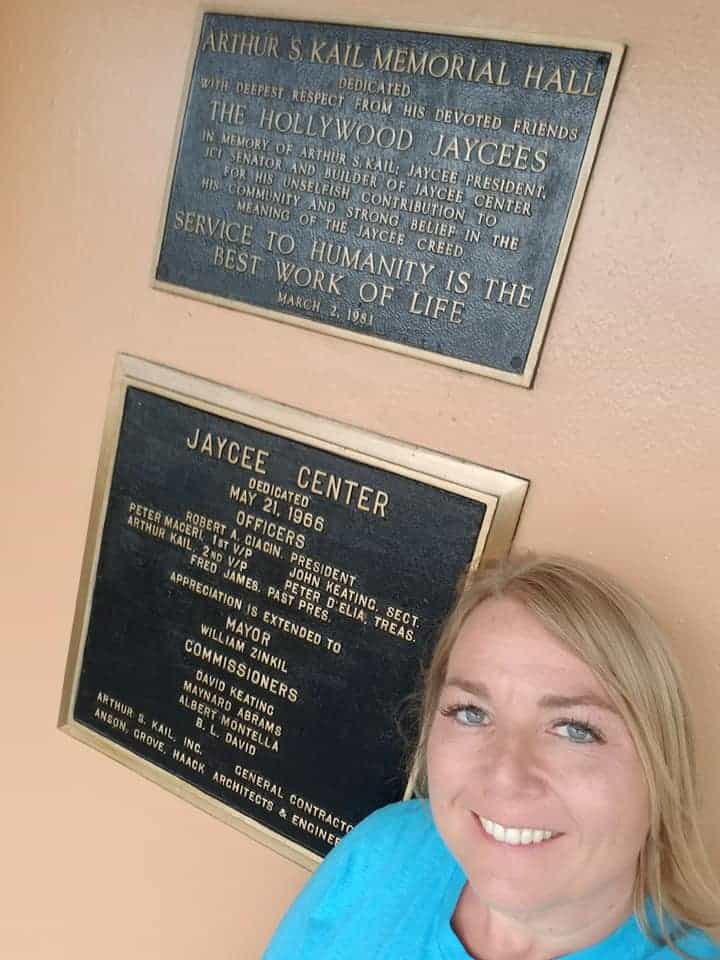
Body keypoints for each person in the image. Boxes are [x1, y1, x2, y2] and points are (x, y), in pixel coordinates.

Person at [263, 554, 720, 959]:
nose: (505, 774)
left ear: (660, 771)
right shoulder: (386, 846)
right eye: (471, 712)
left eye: (575, 729)